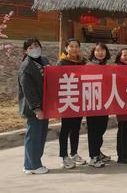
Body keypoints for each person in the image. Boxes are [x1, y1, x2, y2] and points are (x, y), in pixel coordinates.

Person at [18, 38, 50, 174]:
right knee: (34, 135)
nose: (35, 49)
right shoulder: (26, 67)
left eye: (36, 46)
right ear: (25, 51)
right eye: (30, 47)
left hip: (45, 104)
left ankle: (32, 163)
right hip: (34, 108)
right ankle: (32, 165)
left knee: (41, 135)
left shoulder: (43, 61)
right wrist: (37, 109)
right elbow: (28, 91)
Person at [57, 38, 87, 169]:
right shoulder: (61, 62)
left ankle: (74, 153)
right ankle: (64, 156)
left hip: (79, 99)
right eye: (71, 46)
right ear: (66, 48)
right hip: (67, 99)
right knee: (65, 128)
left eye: (76, 46)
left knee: (76, 128)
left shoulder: (83, 62)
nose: (74, 49)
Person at [85, 43, 112, 168]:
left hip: (104, 103)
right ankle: (93, 156)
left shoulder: (107, 66)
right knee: (94, 130)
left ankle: (98, 152)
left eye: (103, 50)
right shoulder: (89, 66)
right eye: (97, 50)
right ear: (93, 52)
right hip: (93, 103)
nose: (100, 53)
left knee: (102, 128)